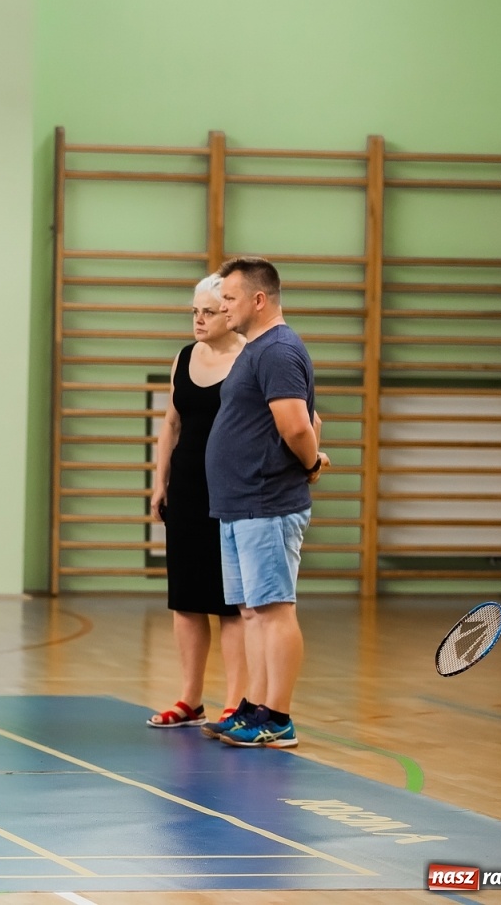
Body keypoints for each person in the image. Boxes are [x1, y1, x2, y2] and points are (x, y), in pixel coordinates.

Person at [199, 257, 327, 750]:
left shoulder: (277, 349)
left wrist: (311, 463)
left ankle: (278, 715)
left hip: (266, 501)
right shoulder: (257, 350)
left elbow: (297, 424)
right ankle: (254, 707)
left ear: (258, 300)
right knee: (252, 611)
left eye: (230, 298)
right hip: (239, 503)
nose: (223, 307)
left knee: (273, 609)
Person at [147, 275, 247, 729]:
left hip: (230, 490)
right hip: (187, 488)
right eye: (194, 312)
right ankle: (190, 699)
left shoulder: (249, 359)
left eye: (208, 311)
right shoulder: (184, 357)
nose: (199, 320)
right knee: (186, 599)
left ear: (229, 312)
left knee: (230, 604)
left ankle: (235, 702)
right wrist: (160, 481)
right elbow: (171, 423)